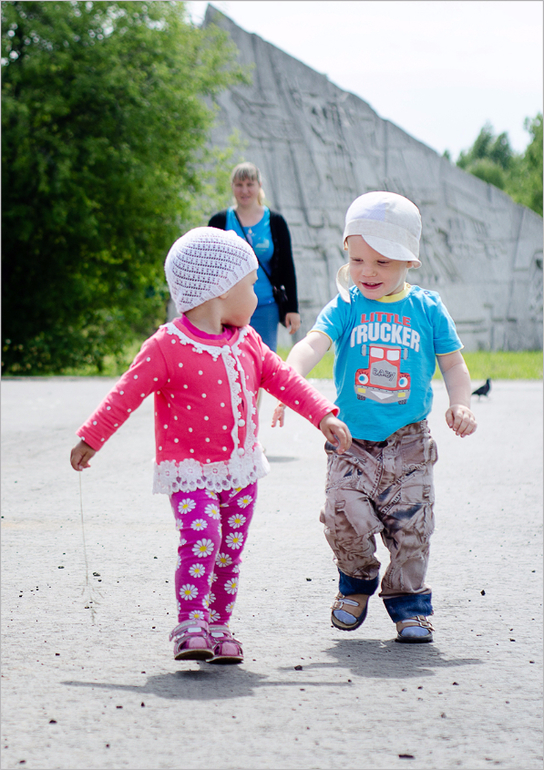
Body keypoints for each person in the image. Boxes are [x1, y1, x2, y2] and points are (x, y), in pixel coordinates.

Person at [70, 227, 351, 664]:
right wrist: (92, 436)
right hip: (189, 471)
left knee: (229, 551)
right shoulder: (168, 346)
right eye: (251, 285)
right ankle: (191, 623)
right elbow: (125, 393)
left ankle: (219, 626)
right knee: (203, 536)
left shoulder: (249, 342)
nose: (257, 297)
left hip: (240, 470)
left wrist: (322, 415)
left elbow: (286, 380)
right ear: (221, 288)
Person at [272, 191, 477, 644]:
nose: (367, 271)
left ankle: (409, 604)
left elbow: (454, 365)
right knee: (341, 514)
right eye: (358, 259)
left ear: (409, 262)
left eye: (382, 262)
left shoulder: (427, 308)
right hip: (351, 442)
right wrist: (289, 380)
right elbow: (311, 345)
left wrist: (460, 402)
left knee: (413, 528)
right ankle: (356, 581)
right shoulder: (346, 306)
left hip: (409, 442)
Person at [208, 162, 301, 352]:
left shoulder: (275, 221)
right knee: (230, 358)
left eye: (250, 184)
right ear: (232, 187)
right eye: (239, 185)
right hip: (228, 307)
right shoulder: (219, 221)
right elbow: (209, 267)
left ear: (259, 186)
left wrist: (293, 308)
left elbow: (287, 266)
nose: (245, 190)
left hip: (266, 305)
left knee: (263, 359)